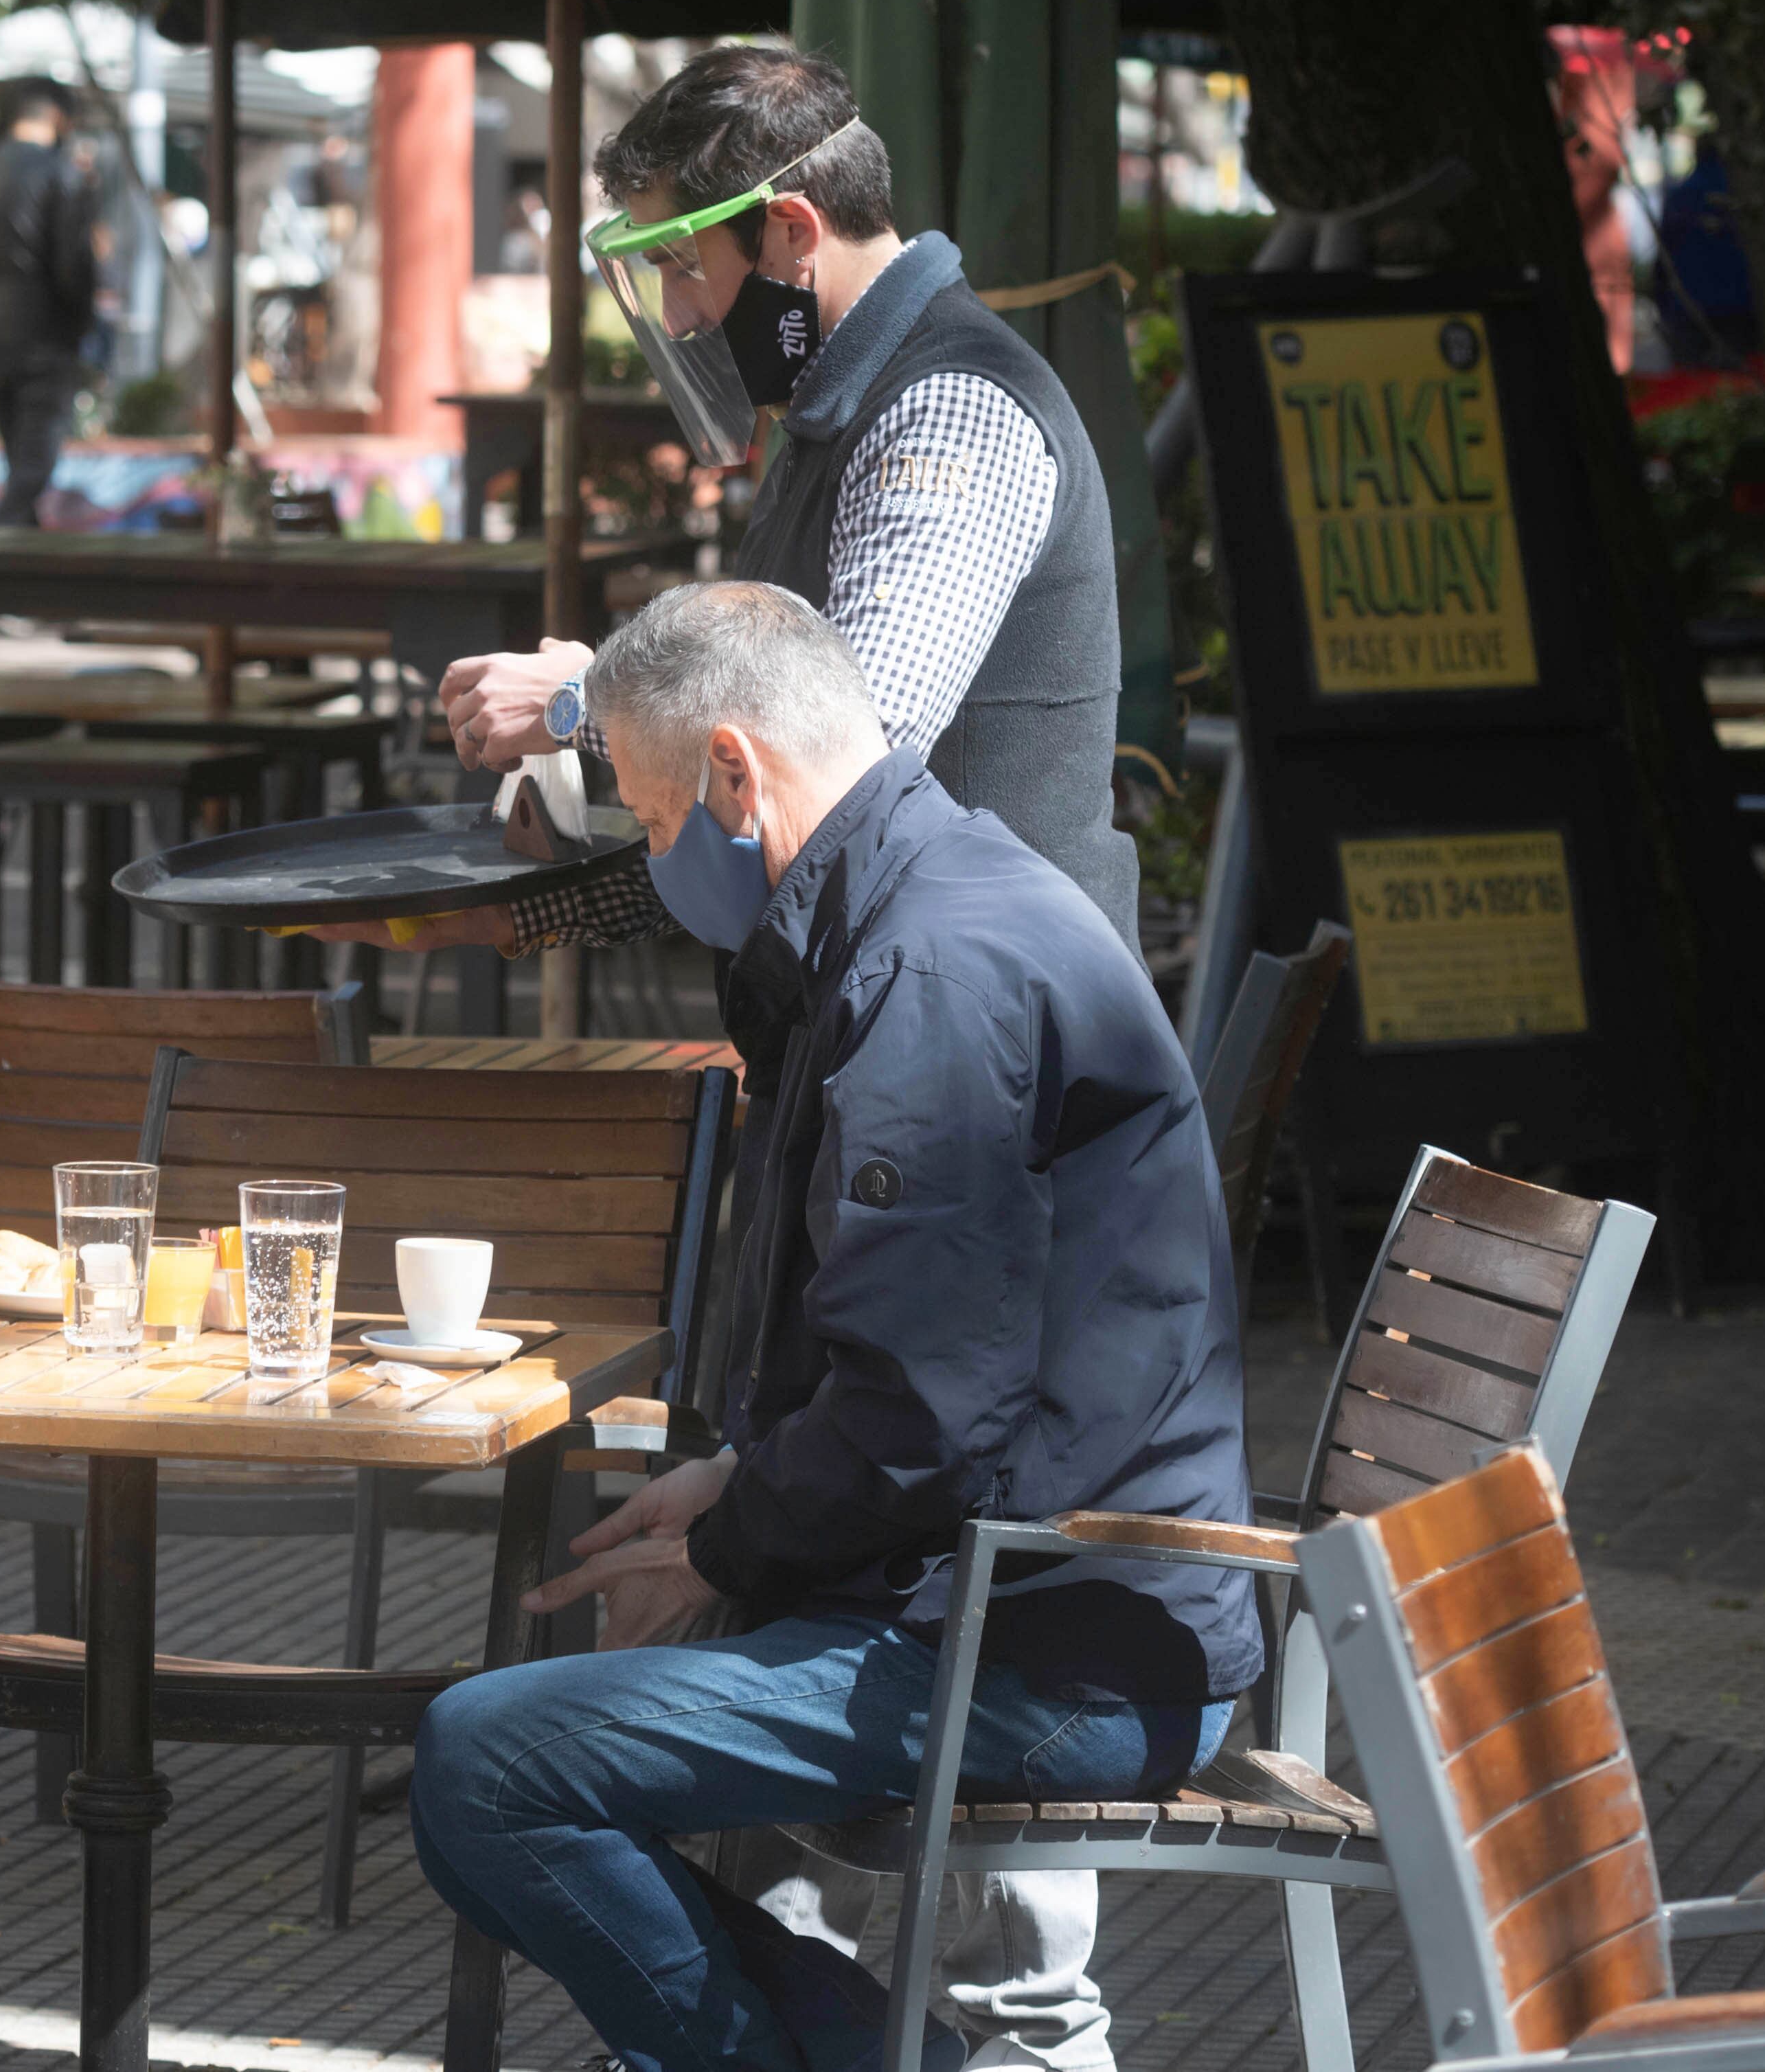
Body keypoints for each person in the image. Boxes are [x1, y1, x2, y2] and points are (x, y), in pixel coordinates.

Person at [407, 582, 1257, 2072]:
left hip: (1048, 1649)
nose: (656, 854)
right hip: (1035, 1595)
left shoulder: (929, 973)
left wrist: (730, 1543)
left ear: (735, 771)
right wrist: (739, 1490)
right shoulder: (919, 902)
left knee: (490, 1761)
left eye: (654, 813)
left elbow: (921, 1410)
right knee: (536, 1722)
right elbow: (922, 1365)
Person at [394, 43, 1142, 963]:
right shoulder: (833, 408)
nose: (673, 315)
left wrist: (584, 701)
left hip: (1005, 1031)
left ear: (789, 231)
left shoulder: (949, 410)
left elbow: (846, 750)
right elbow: (759, 836)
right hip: (911, 999)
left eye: (681, 262)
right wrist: (524, 916)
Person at [0, 80, 101, 527]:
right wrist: (82, 324)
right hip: (44, 330)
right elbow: (72, 265)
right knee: (33, 468)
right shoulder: (59, 172)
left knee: (19, 459)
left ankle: (19, 575)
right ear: (56, 118)